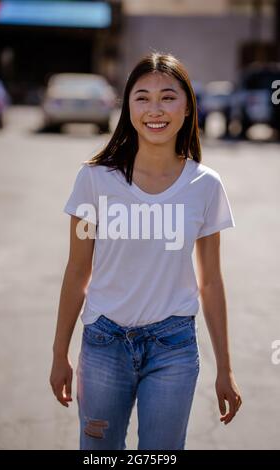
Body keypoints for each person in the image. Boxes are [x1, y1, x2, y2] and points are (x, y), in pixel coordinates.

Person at [50, 52, 242, 450]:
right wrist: (59, 354)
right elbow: (76, 271)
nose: (155, 109)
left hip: (173, 348)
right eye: (142, 97)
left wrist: (225, 368)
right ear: (128, 107)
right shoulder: (94, 180)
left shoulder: (205, 185)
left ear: (188, 107)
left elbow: (211, 281)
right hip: (103, 345)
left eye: (168, 97)